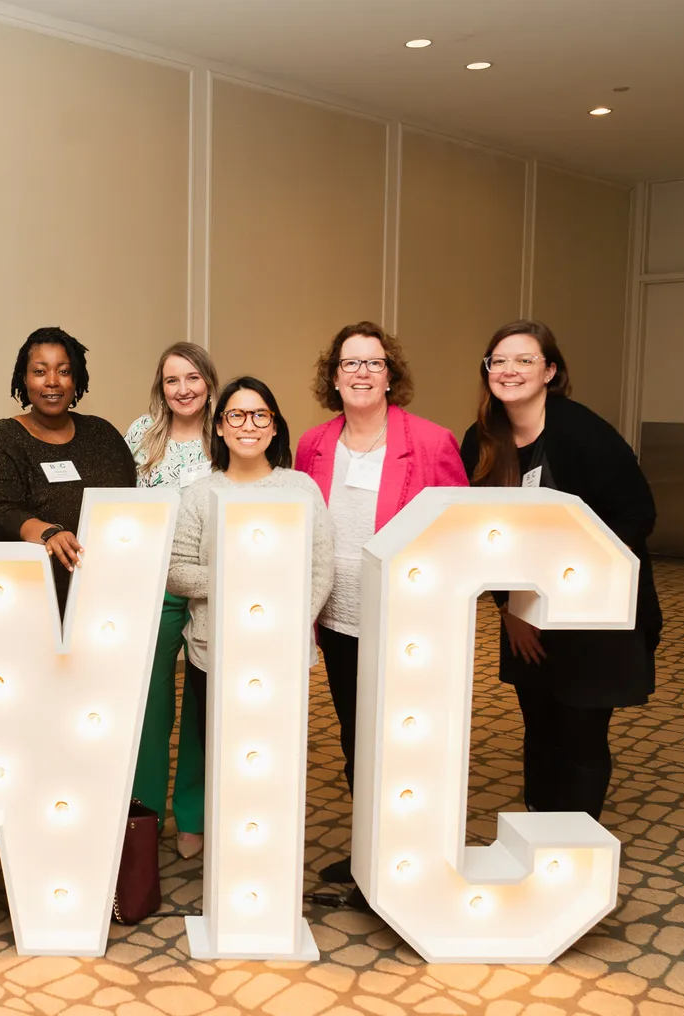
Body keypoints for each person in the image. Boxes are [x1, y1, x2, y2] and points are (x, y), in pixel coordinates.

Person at [460, 320, 661, 821]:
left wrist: (566, 593)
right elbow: (478, 533)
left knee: (581, 729)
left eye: (524, 360)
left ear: (550, 371)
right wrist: (511, 608)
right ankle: (539, 825)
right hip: (527, 613)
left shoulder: (583, 433)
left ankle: (576, 842)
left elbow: (638, 514)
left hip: (595, 611)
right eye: (499, 360)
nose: (509, 370)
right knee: (541, 723)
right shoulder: (483, 438)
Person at [295, 321, 467, 885]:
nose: (362, 373)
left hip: (407, 623)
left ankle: (417, 855)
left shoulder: (432, 441)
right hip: (340, 620)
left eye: (373, 363)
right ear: (334, 377)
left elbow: (459, 532)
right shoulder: (314, 445)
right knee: (356, 738)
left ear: (390, 375)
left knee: (408, 738)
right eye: (351, 364)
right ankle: (373, 849)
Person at [167, 377, 334, 855]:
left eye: (260, 415)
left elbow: (319, 567)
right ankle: (225, 843)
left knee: (274, 750)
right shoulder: (199, 495)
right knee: (220, 749)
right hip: (214, 650)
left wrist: (288, 622)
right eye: (236, 415)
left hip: (279, 651)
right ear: (219, 427)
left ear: (275, 426)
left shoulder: (299, 488)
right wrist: (239, 581)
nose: (249, 425)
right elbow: (177, 572)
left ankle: (267, 844)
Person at [123, 342, 219, 859]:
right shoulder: (141, 435)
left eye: (192, 378)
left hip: (207, 584)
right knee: (152, 703)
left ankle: (193, 815)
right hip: (152, 584)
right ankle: (147, 811)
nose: (183, 389)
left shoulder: (225, 434)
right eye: (171, 380)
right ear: (161, 389)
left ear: (209, 381)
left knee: (202, 705)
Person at [0, 327, 138, 611]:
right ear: (24, 379)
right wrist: (49, 533)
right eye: (40, 371)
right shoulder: (5, 437)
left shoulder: (102, 435)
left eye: (63, 371)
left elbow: (128, 502)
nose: (52, 382)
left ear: (76, 380)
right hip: (31, 593)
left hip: (104, 589)